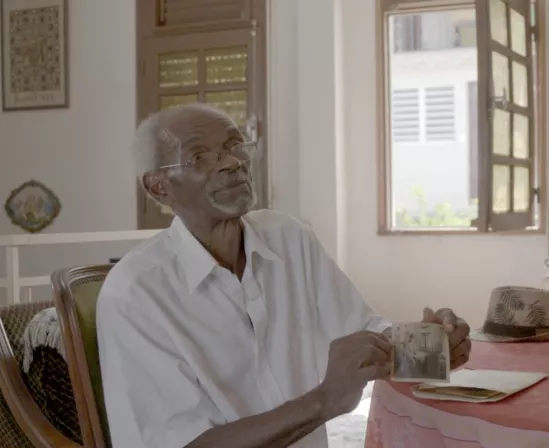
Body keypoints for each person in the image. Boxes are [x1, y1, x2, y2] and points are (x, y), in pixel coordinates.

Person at [96, 104, 472, 448]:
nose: (230, 163)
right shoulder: (136, 293)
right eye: (198, 156)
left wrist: (434, 349)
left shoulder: (288, 238)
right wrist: (324, 400)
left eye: (233, 145)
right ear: (159, 187)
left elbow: (367, 337)